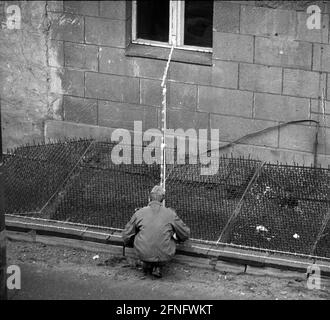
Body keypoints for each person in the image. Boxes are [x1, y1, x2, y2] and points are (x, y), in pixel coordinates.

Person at [122, 185, 190, 278]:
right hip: (164, 254)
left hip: (143, 253)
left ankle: (145, 262)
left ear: (149, 198)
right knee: (168, 236)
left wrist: (130, 243)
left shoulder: (139, 213)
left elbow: (126, 234)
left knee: (137, 233)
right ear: (163, 199)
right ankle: (158, 266)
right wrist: (176, 237)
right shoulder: (170, 213)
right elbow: (185, 233)